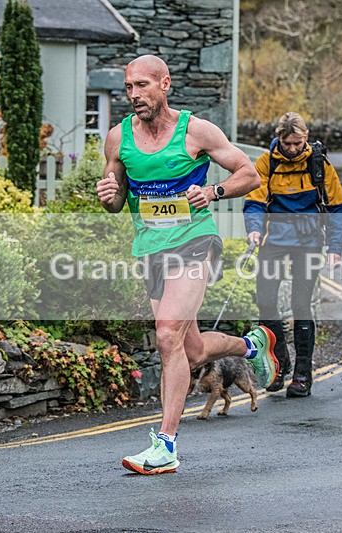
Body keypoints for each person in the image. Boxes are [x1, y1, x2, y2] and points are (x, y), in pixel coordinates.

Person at [96, 55, 279, 475]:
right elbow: (117, 199)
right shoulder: (117, 138)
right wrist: (109, 197)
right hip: (151, 248)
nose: (134, 95)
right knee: (190, 349)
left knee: (165, 336)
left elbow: (249, 174)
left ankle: (165, 445)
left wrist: (213, 191)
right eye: (128, 87)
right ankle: (250, 345)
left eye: (142, 85)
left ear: (165, 84)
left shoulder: (196, 131)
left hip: (196, 241)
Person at [243, 112, 342, 397]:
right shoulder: (266, 163)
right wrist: (253, 230)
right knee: (265, 302)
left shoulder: (319, 164)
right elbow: (254, 201)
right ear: (278, 139)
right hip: (273, 240)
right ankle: (279, 364)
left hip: (308, 241)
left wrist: (335, 248)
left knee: (301, 304)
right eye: (286, 143)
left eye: (297, 142)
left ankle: (303, 373)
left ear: (306, 137)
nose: (292, 148)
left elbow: (337, 206)